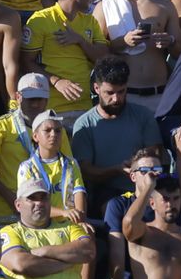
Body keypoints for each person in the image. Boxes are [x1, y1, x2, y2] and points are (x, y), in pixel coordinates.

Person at [70, 56, 164, 210]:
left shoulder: (143, 115)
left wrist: (138, 165)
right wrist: (116, 170)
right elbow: (85, 171)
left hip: (146, 186)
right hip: (106, 191)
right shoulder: (85, 124)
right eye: (110, 93)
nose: (116, 99)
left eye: (121, 92)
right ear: (96, 88)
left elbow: (155, 154)